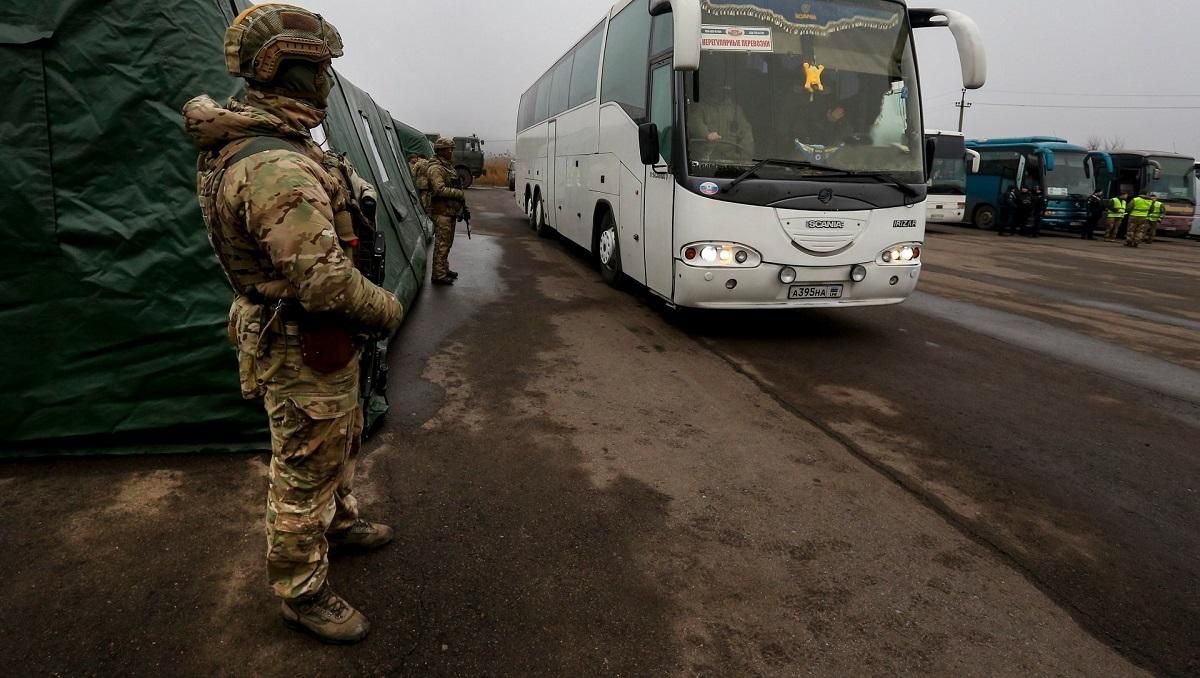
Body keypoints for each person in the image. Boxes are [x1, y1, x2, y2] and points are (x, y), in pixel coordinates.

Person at [183, 4, 403, 644]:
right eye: (319, 70)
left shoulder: (285, 144)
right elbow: (324, 281)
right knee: (303, 468)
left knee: (337, 440)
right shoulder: (274, 163)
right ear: (286, 71)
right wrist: (385, 311)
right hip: (300, 337)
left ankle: (339, 524)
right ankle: (302, 592)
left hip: (318, 337)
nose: (329, 83)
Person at [427, 138, 467, 285]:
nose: (451, 151)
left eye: (452, 149)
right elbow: (439, 189)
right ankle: (438, 275)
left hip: (449, 211)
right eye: (448, 149)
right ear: (441, 151)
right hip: (441, 212)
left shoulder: (447, 167)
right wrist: (458, 193)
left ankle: (443, 268)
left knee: (447, 243)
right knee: (442, 244)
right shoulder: (436, 168)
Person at [687, 85, 754, 158]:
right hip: (707, 159)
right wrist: (706, 134)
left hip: (732, 161)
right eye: (715, 86)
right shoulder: (701, 107)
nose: (718, 91)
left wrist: (744, 160)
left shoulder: (735, 110)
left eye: (723, 88)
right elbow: (694, 121)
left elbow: (747, 135)